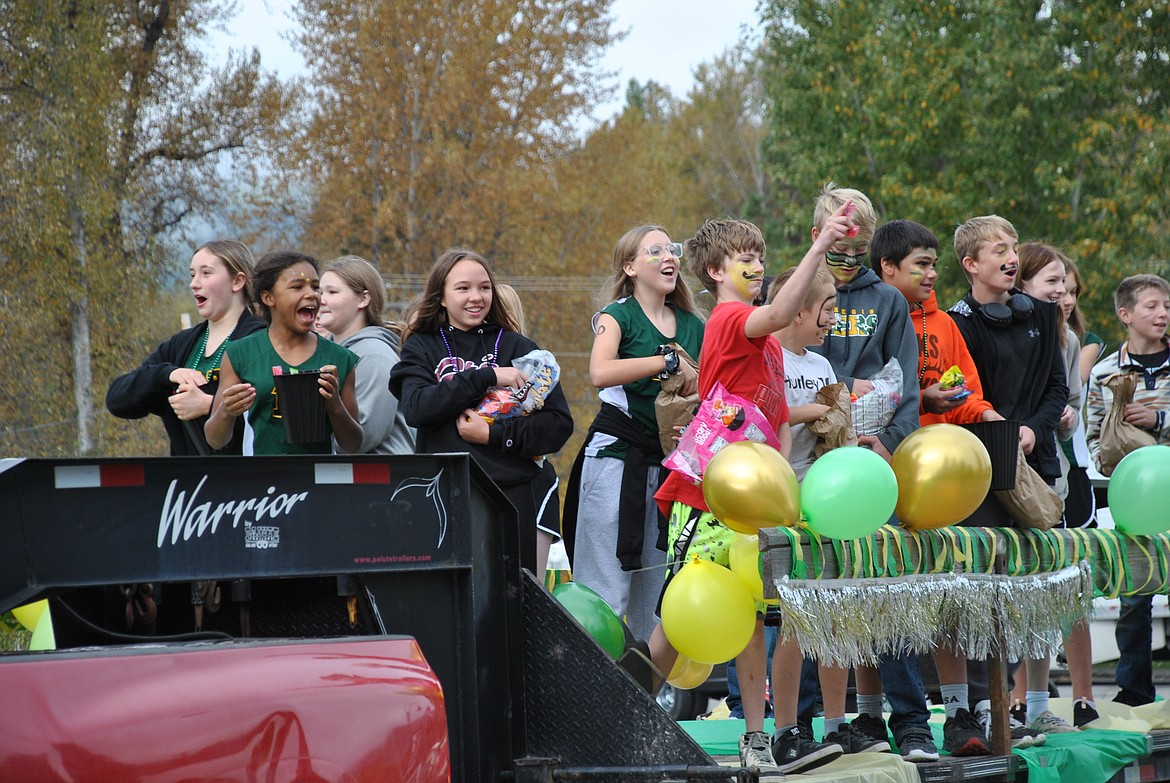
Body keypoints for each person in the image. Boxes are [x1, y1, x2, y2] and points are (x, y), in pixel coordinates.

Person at [650, 208, 855, 779]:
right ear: (715, 272)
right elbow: (785, 309)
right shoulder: (728, 320)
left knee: (764, 606)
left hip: (752, 491)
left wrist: (785, 476)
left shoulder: (763, 342)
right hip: (706, 493)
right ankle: (619, 713)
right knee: (681, 620)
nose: (758, 268)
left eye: (761, 259)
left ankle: (765, 738)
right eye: (747, 261)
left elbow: (778, 411)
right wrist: (820, 247)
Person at [805, 188, 935, 763]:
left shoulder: (887, 301)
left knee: (886, 589)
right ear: (818, 233)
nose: (848, 241)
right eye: (838, 230)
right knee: (805, 595)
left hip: (872, 465)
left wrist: (885, 443)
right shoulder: (798, 290)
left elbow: (903, 383)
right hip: (809, 463)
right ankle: (806, 725)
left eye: (859, 232)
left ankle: (910, 723)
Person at [872, 218, 1000, 755]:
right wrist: (922, 401)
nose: (931, 273)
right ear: (888, 268)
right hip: (887, 480)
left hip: (942, 487)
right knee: (889, 599)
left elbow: (965, 390)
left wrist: (990, 416)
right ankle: (886, 720)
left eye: (932, 264)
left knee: (947, 598)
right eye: (920, 264)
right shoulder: (871, 317)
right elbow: (872, 397)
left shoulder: (945, 324)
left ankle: (960, 713)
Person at [947, 215, 1067, 747]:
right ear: (971, 264)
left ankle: (1013, 708)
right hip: (978, 471)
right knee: (975, 591)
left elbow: (1056, 389)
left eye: (1013, 246)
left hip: (1033, 464)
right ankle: (973, 708)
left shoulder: (1044, 313)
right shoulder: (958, 322)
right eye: (998, 249)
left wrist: (1032, 435)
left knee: (1022, 592)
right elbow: (964, 392)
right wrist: (1000, 431)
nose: (1011, 256)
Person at [389, 249, 574, 576]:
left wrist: (495, 436)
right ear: (442, 297)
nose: (476, 297)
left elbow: (557, 426)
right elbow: (417, 407)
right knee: (448, 597)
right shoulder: (422, 346)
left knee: (513, 602)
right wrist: (486, 376)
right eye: (463, 288)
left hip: (510, 497)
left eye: (484, 287)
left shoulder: (520, 348)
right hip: (441, 494)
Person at [563, 226, 704, 641]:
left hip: (670, 470)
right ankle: (591, 699)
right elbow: (599, 372)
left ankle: (646, 700)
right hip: (615, 462)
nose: (669, 258)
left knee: (657, 601)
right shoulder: (617, 316)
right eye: (654, 250)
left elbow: (712, 390)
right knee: (604, 594)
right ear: (629, 268)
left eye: (672, 250)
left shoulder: (695, 324)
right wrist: (666, 362)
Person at [1011, 243, 1099, 730]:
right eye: (1051, 282)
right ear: (1022, 283)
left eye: (1066, 284)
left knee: (1060, 585)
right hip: (1006, 467)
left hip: (1054, 475)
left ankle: (1056, 700)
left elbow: (1067, 410)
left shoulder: (1067, 340)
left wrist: (1058, 419)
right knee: (1017, 587)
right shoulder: (998, 325)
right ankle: (1011, 699)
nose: (1063, 292)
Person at [1085, 274, 1170, 708]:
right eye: (1152, 306)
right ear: (1125, 315)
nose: (1162, 314)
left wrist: (1157, 424)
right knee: (1136, 594)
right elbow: (1096, 438)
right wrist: (1119, 452)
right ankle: (1134, 693)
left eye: (1166, 306)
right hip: (1134, 498)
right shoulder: (1104, 373)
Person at [107, 240, 266, 455]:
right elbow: (117, 400)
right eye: (192, 275)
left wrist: (211, 407)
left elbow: (275, 419)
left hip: (249, 483)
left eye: (206, 273)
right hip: (188, 484)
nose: (194, 284)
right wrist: (167, 374)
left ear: (237, 281)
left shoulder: (262, 340)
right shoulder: (181, 345)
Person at [206, 251, 362, 455]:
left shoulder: (340, 359)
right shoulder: (240, 354)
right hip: (261, 481)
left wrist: (335, 406)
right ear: (268, 297)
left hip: (319, 482)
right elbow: (214, 440)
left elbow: (353, 445)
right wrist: (226, 411)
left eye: (315, 287)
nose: (311, 294)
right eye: (297, 287)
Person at [494, 282, 565, 578]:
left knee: (526, 585)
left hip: (532, 485)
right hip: (482, 483)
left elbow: (556, 428)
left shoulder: (535, 367)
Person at [318, 255, 416, 455]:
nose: (321, 300)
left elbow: (361, 439)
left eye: (332, 292)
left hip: (382, 479)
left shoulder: (374, 355)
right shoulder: (332, 351)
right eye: (320, 292)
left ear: (363, 299)